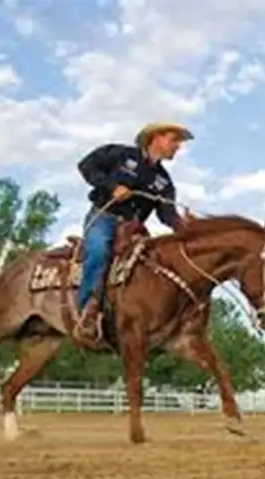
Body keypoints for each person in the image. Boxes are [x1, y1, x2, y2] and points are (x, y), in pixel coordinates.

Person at [71, 121, 193, 348]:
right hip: (105, 217)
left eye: (179, 142)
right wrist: (111, 186)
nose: (178, 146)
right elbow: (86, 166)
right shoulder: (120, 154)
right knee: (98, 251)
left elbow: (166, 214)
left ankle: (139, 317)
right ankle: (86, 312)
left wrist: (184, 226)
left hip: (133, 228)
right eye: (174, 140)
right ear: (156, 137)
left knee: (153, 264)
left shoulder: (164, 182)